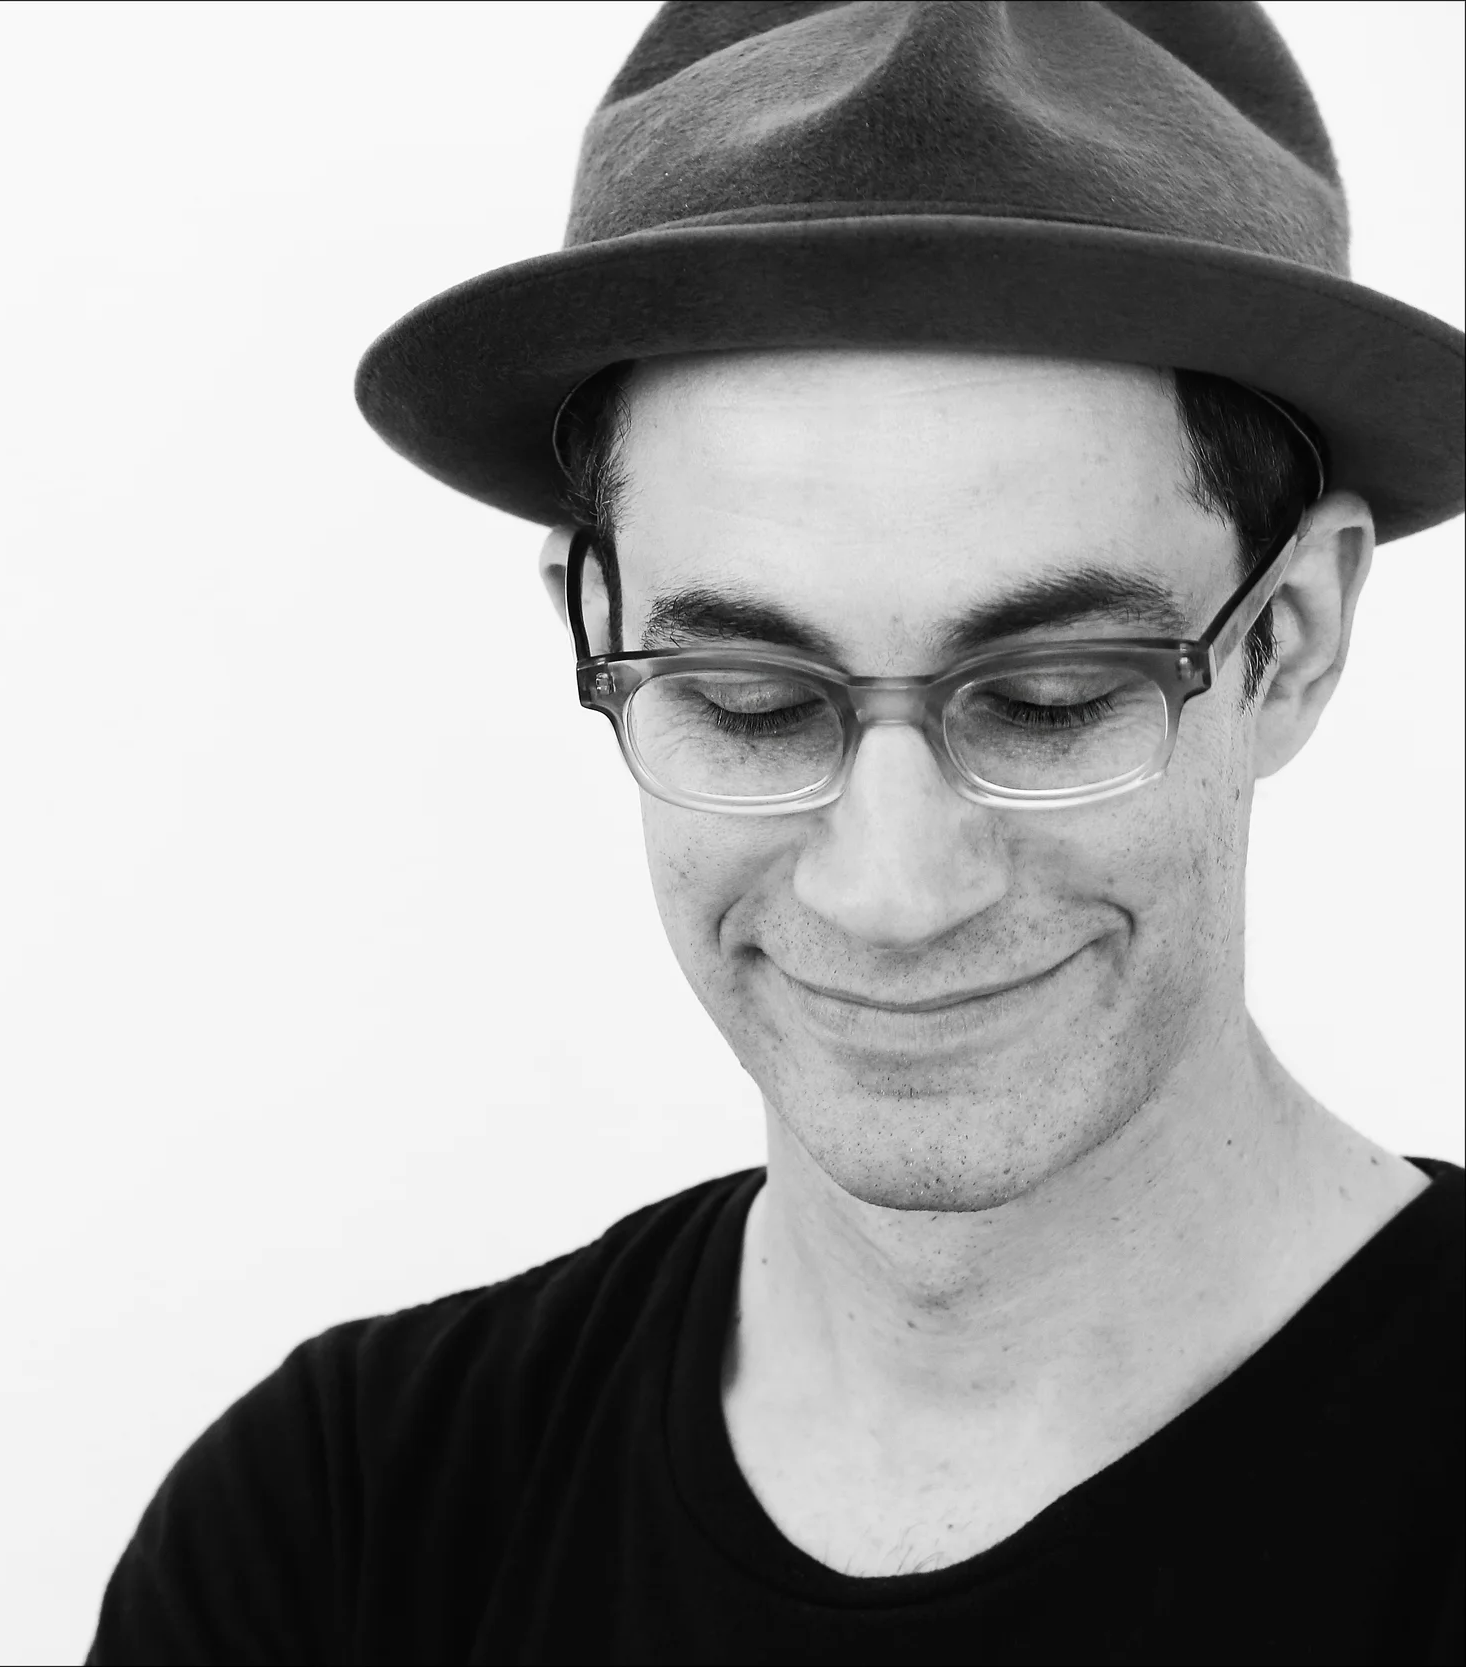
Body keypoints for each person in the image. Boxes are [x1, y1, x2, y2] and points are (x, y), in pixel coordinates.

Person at [88, 4, 1464, 1662]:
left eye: (1045, 699)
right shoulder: (344, 1529)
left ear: (1291, 636)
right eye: (748, 700)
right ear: (584, 628)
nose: (891, 888)